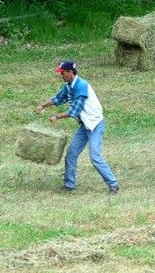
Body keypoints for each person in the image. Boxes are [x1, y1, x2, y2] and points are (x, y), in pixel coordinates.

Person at [35, 61, 119, 194]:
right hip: (84, 125)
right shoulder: (68, 86)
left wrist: (57, 116)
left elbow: (74, 110)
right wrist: (43, 105)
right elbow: (58, 98)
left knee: (95, 156)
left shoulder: (81, 86)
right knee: (71, 154)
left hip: (95, 125)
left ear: (70, 72)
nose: (61, 75)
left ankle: (113, 183)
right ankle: (69, 185)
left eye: (62, 73)